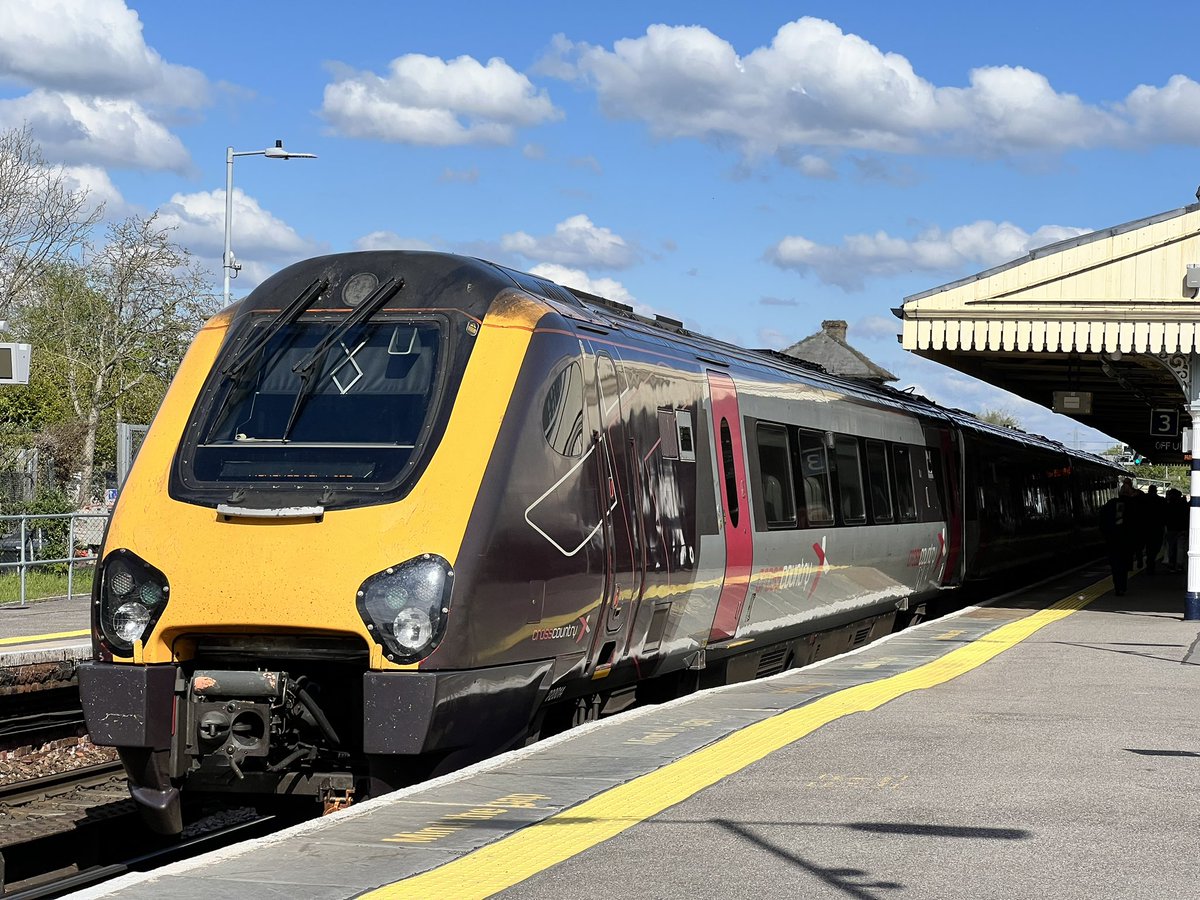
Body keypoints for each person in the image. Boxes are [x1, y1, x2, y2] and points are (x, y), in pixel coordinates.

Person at [1099, 482, 1137, 596]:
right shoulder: (1133, 505)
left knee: (1115, 564)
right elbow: (1137, 524)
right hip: (1127, 540)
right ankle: (1122, 586)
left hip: (1112, 539)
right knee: (1124, 565)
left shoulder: (1110, 504)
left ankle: (1117, 586)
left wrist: (1107, 534)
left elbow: (1102, 521)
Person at [1142, 484, 1167, 575]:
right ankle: (1151, 561)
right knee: (1156, 546)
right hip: (1157, 527)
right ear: (1156, 491)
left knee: (1148, 546)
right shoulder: (1161, 501)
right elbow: (1165, 514)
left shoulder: (1143, 500)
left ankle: (1149, 561)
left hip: (1145, 527)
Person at [1165, 488, 1188, 573]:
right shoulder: (1183, 505)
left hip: (1171, 529)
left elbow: (1165, 518)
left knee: (1171, 547)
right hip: (1181, 529)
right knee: (1180, 547)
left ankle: (1172, 564)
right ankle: (1179, 565)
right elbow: (1186, 517)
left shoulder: (1168, 505)